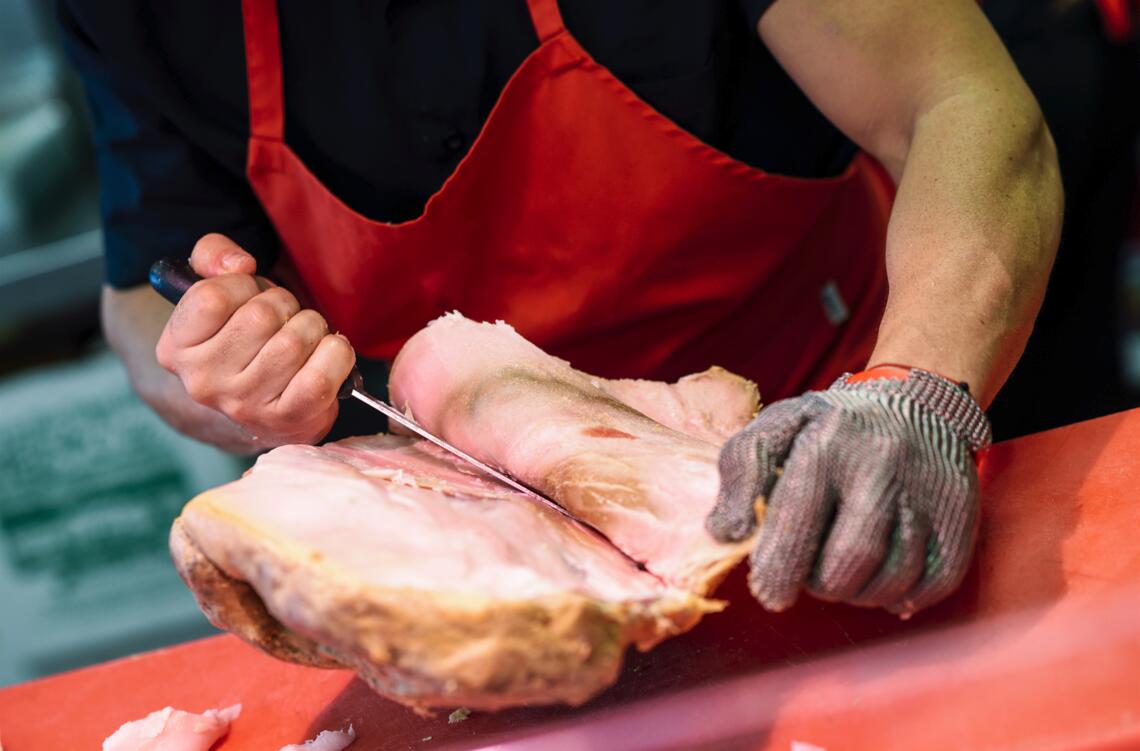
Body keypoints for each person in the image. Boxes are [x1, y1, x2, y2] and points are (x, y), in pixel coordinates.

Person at [60, 0, 1062, 617]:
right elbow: (137, 306)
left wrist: (912, 392)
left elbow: (960, 103)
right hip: (497, 545)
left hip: (852, 441)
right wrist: (222, 368)